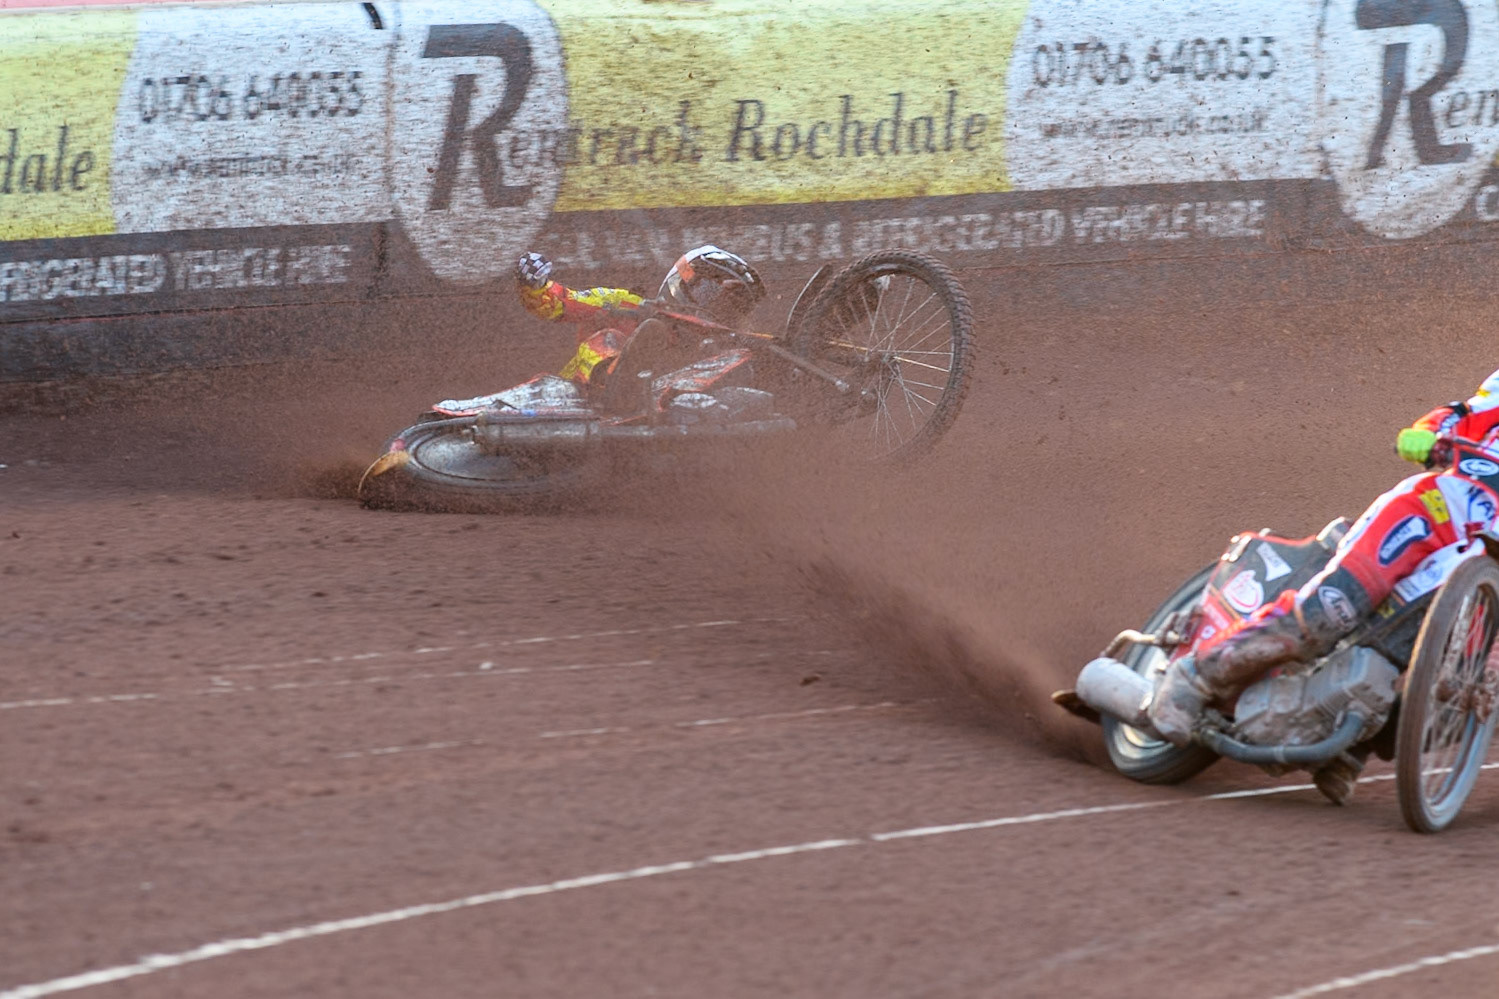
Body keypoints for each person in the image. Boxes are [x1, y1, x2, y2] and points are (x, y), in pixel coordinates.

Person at [1149, 367, 1499, 798]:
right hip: (1437, 509)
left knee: (1464, 687)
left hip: (1482, 569)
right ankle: (1196, 676)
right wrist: (1426, 434)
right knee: (1334, 607)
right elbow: (1457, 415)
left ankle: (1350, 745)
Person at [513, 245, 765, 405]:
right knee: (613, 337)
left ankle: (635, 398)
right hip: (569, 402)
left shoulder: (729, 351)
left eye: (731, 308)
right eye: (709, 295)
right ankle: (614, 386)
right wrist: (535, 287)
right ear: (682, 284)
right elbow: (564, 302)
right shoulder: (627, 305)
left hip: (663, 431)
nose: (716, 310)